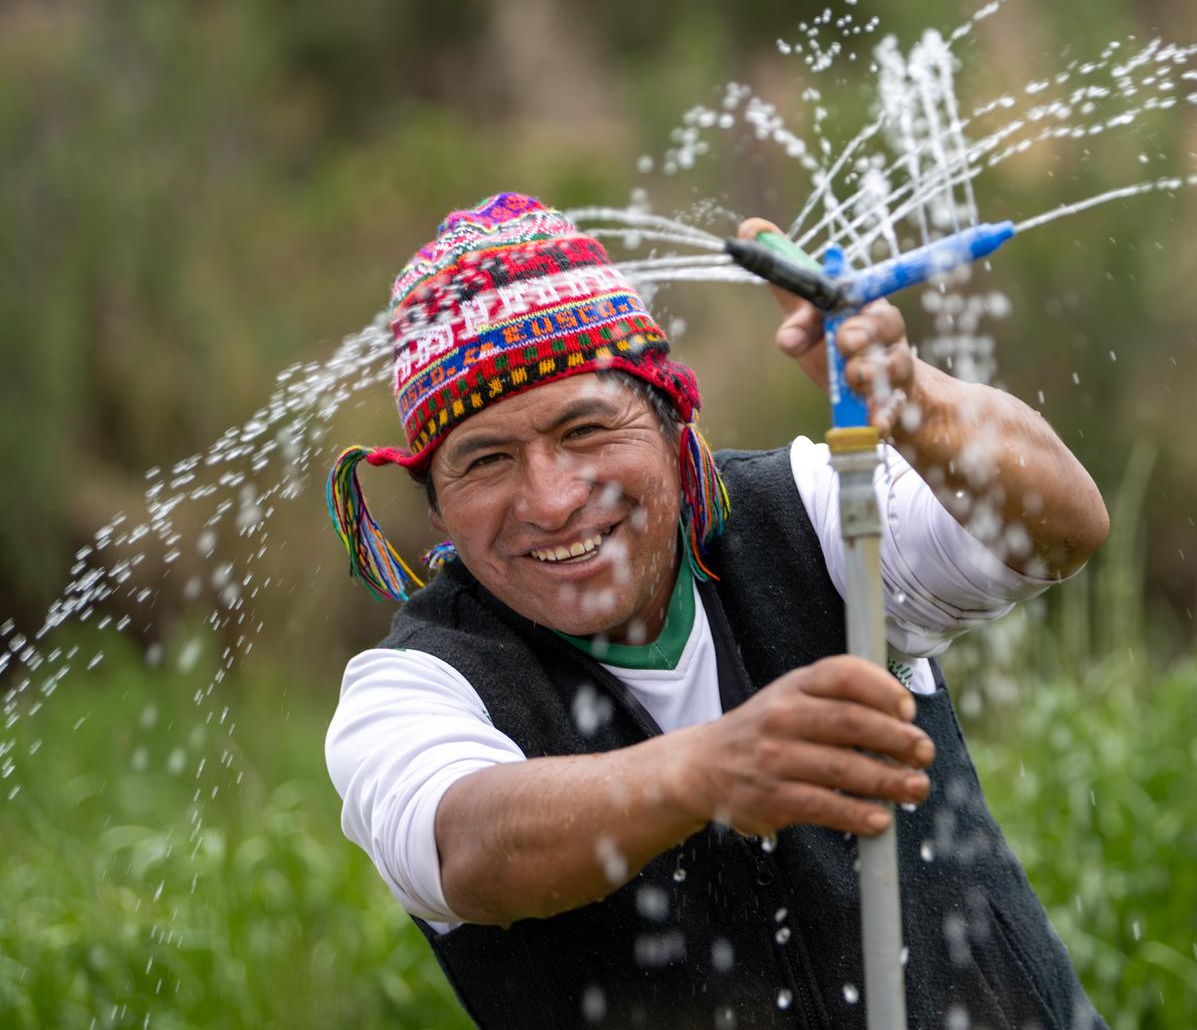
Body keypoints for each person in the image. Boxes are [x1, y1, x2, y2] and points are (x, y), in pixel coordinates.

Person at [323, 192, 1111, 1029]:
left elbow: (1059, 528)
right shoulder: (410, 687)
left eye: (587, 430)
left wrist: (911, 398)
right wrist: (711, 770)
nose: (551, 501)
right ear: (435, 507)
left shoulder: (818, 512)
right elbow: (469, 852)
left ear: (673, 424)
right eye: (486, 461)